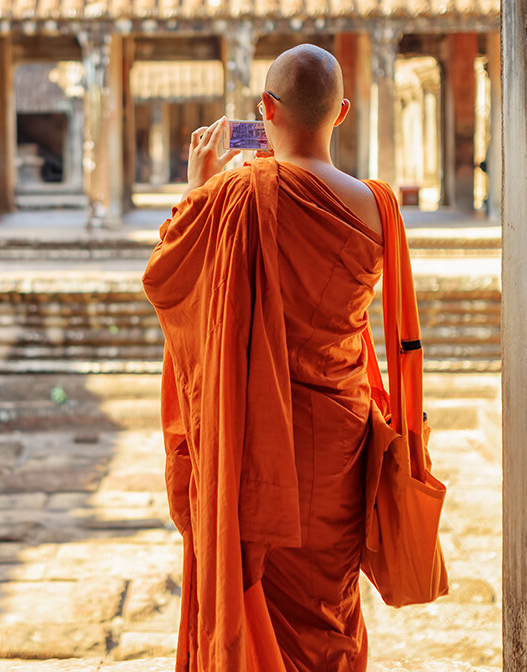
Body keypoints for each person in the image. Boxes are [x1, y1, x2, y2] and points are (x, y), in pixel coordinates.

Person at [142, 44, 405, 671]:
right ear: (340, 113)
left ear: (265, 111)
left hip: (255, 445)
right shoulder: (378, 205)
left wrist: (196, 188)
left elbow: (166, 277)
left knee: (256, 605)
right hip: (340, 442)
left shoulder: (231, 196)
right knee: (329, 608)